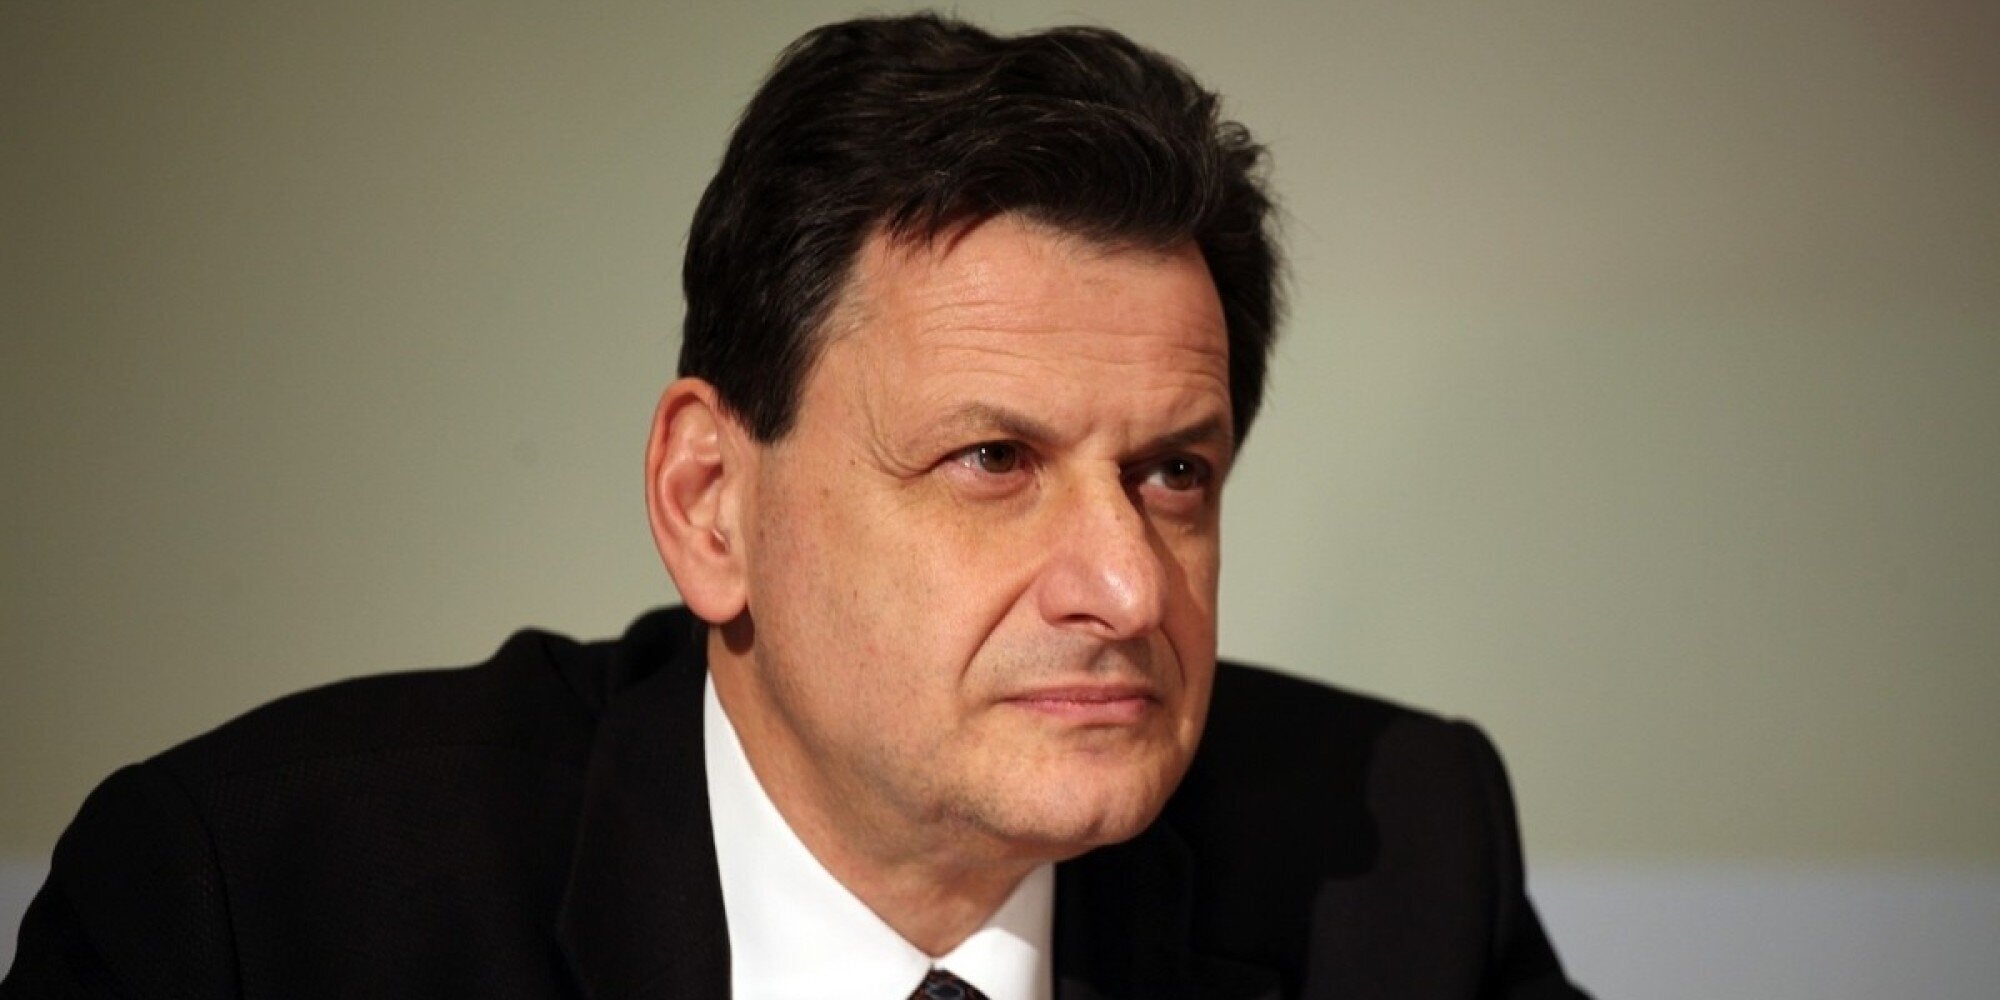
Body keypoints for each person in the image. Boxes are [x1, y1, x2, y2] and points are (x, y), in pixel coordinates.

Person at [3, 13, 1588, 999]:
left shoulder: (1397, 861)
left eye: (1173, 472)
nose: (1124, 586)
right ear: (711, 504)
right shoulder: (257, 909)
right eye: (994, 462)